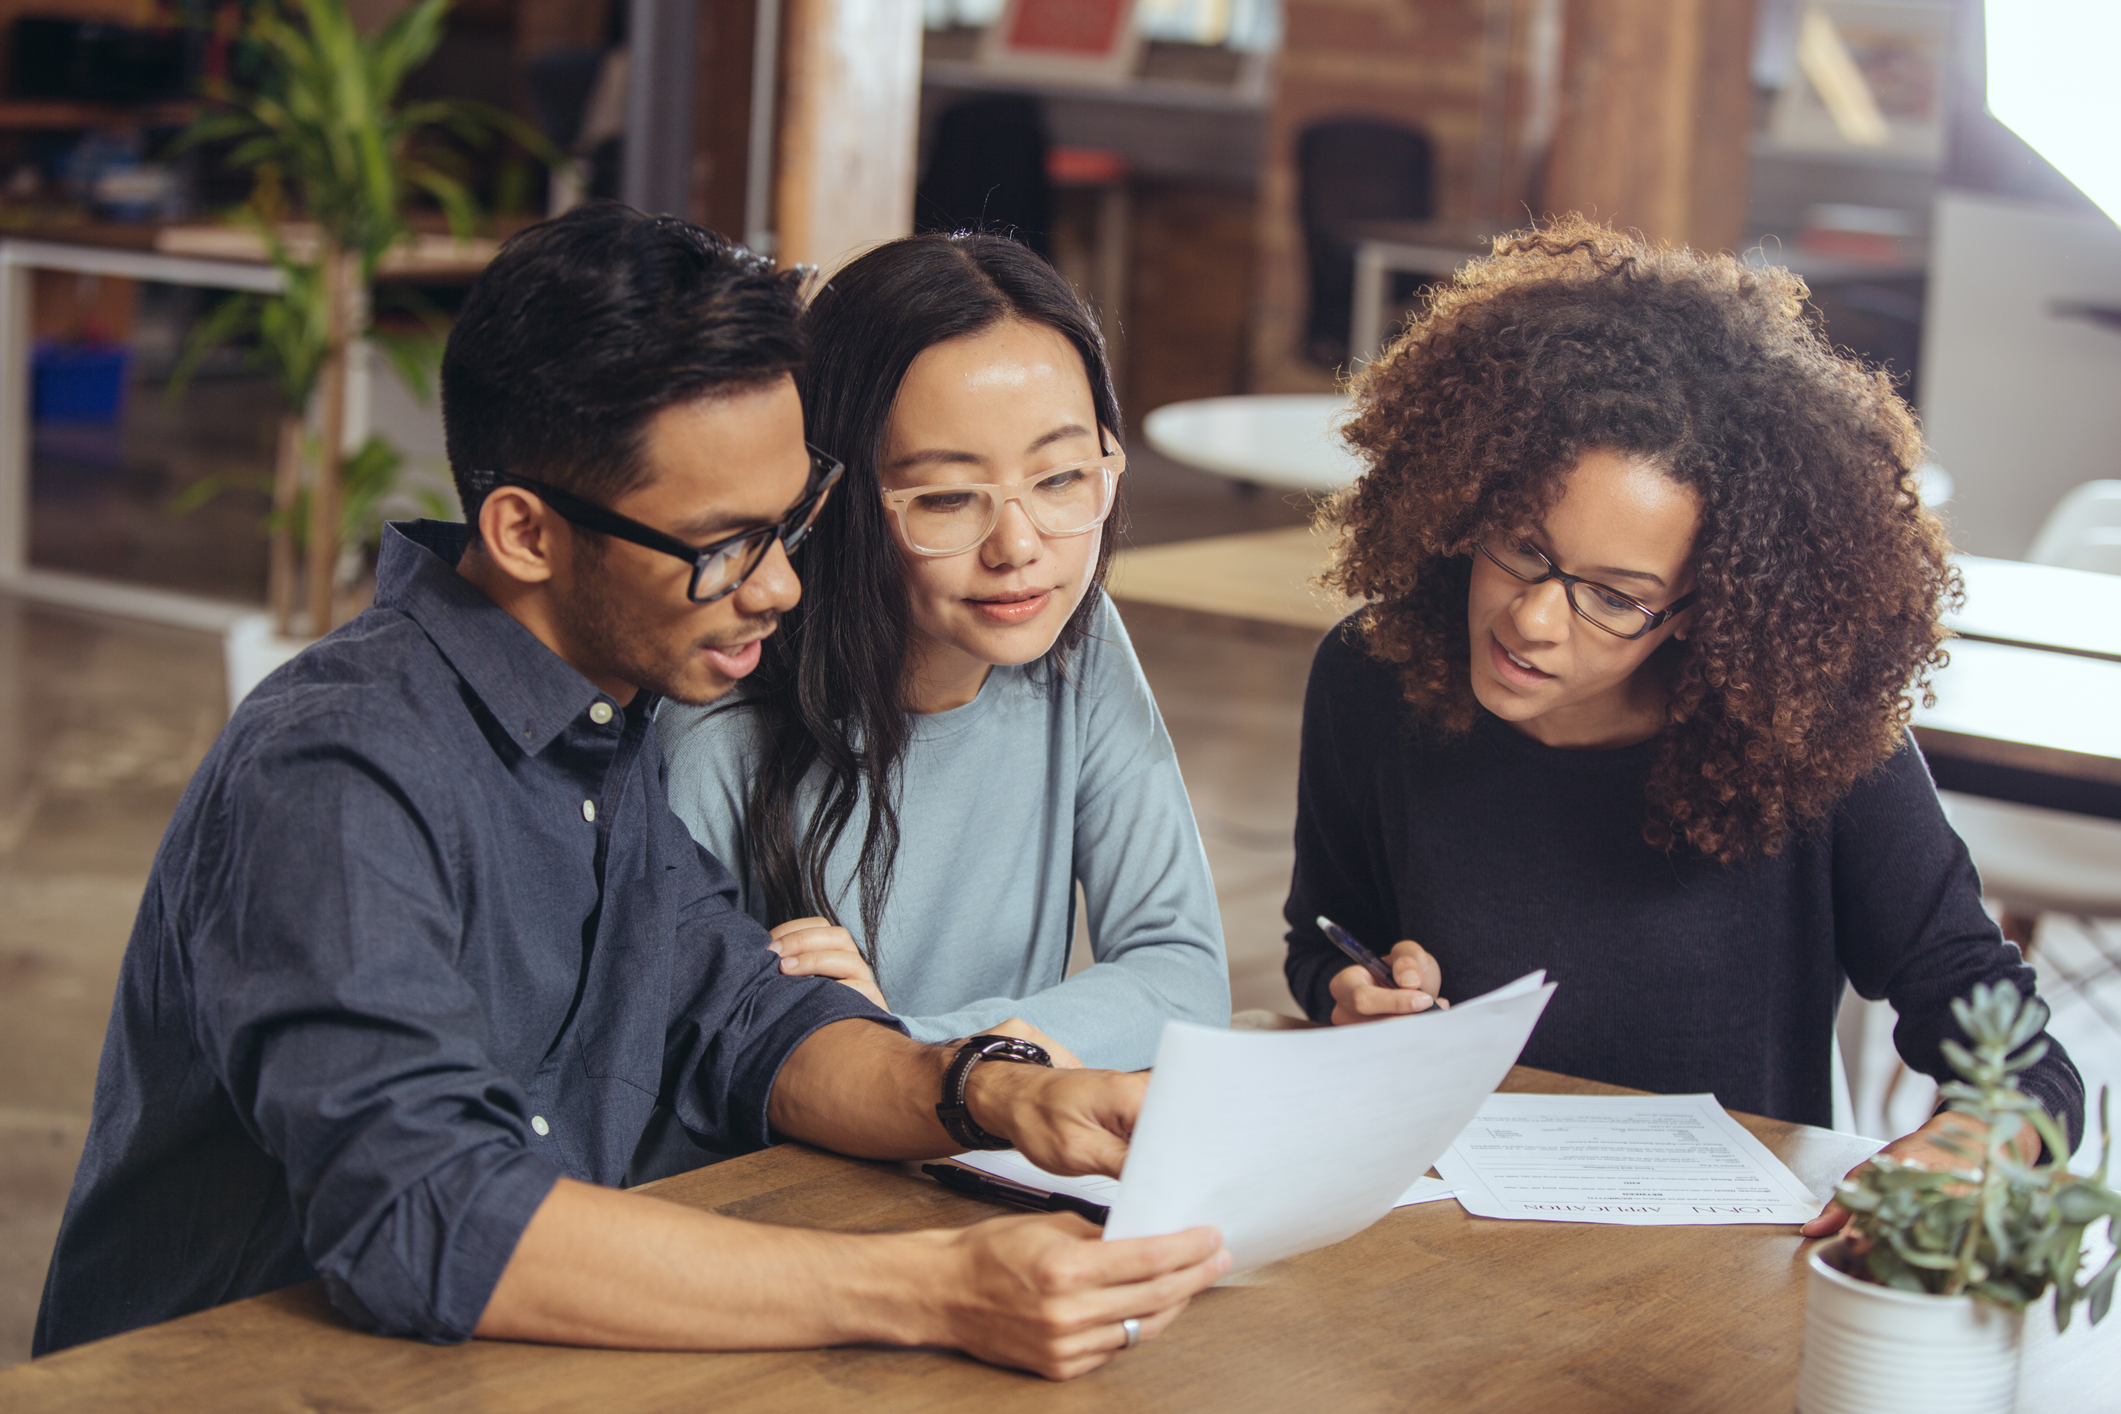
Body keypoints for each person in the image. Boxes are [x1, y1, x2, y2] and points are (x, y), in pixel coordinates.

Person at [34, 205, 1228, 1378]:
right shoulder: (337, 769)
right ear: (525, 532)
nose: (782, 590)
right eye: (722, 546)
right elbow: (429, 1214)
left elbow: (749, 1026)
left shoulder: (606, 721)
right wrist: (932, 1289)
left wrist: (993, 1089)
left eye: (789, 526)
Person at [1281, 218, 2085, 1230]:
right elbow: (1320, 936)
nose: (1533, 618)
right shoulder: (1373, 678)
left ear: (1703, 610)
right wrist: (1351, 990)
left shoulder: (1808, 739)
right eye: (1523, 548)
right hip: (1433, 1239)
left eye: (1615, 597)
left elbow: (2025, 1064)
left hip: (1719, 1274)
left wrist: (1964, 1149)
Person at [660, 233, 1229, 1072]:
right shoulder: (718, 717)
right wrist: (847, 1058)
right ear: (833, 497)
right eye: (947, 497)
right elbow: (679, 1090)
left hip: (982, 1153)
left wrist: (908, 1053)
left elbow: (1182, 981)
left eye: (1063, 477)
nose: (1018, 546)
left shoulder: (1081, 643)